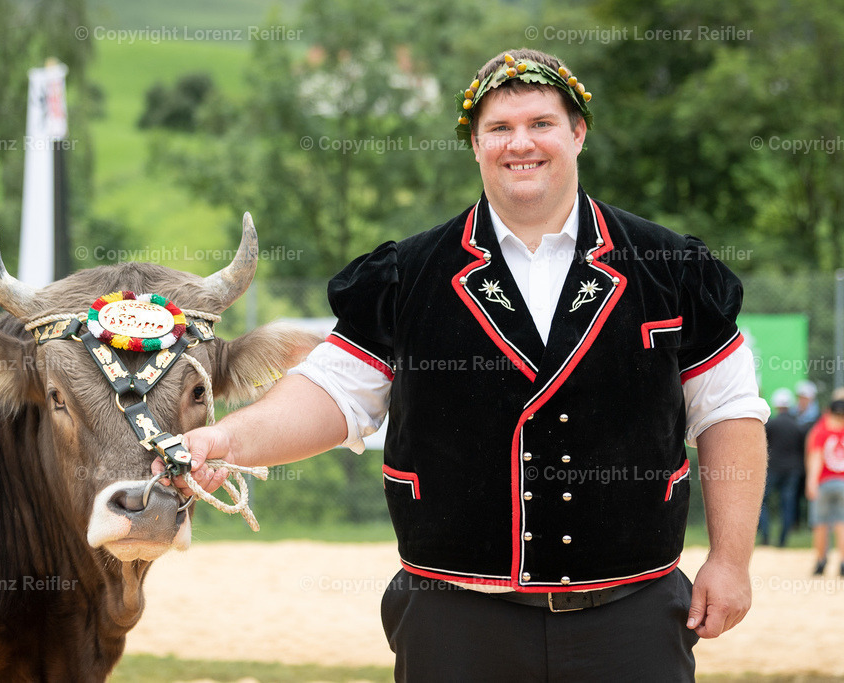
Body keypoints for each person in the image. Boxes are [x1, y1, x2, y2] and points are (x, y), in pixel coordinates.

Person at [157, 48, 770, 680]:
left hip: (632, 616)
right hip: (454, 623)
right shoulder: (408, 273)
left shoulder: (668, 267)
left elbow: (728, 415)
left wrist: (730, 560)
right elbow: (332, 394)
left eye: (541, 124)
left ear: (578, 133)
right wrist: (224, 439)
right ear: (474, 145)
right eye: (499, 129)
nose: (520, 144)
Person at [758, 388, 807, 546]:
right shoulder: (798, 426)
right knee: (788, 503)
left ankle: (765, 536)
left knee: (761, 501)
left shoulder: (771, 425)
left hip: (773, 468)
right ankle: (783, 540)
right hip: (793, 470)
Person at [805, 393, 844, 575]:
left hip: (824, 482)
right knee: (841, 523)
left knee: (821, 524)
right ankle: (842, 563)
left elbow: (816, 459)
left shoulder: (821, 431)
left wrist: (811, 482)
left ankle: (821, 562)